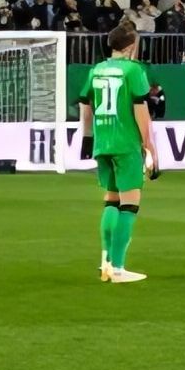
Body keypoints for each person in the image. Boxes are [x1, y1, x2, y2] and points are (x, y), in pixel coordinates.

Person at [77, 22, 155, 284]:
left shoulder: (96, 70)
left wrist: (87, 137)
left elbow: (86, 105)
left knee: (111, 201)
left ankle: (105, 263)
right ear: (131, 45)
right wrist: (149, 145)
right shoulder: (133, 70)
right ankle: (119, 268)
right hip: (125, 144)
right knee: (130, 205)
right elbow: (140, 110)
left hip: (103, 142)